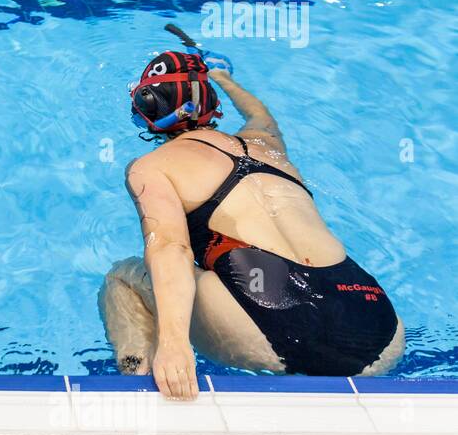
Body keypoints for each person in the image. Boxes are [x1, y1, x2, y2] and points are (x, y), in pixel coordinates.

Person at [100, 46, 404, 400]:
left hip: (269, 337)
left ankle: (138, 381)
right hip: (381, 329)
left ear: (148, 108)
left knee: (121, 277)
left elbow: (171, 247)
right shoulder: (267, 142)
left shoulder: (151, 166)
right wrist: (223, 76)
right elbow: (260, 112)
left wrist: (174, 345)